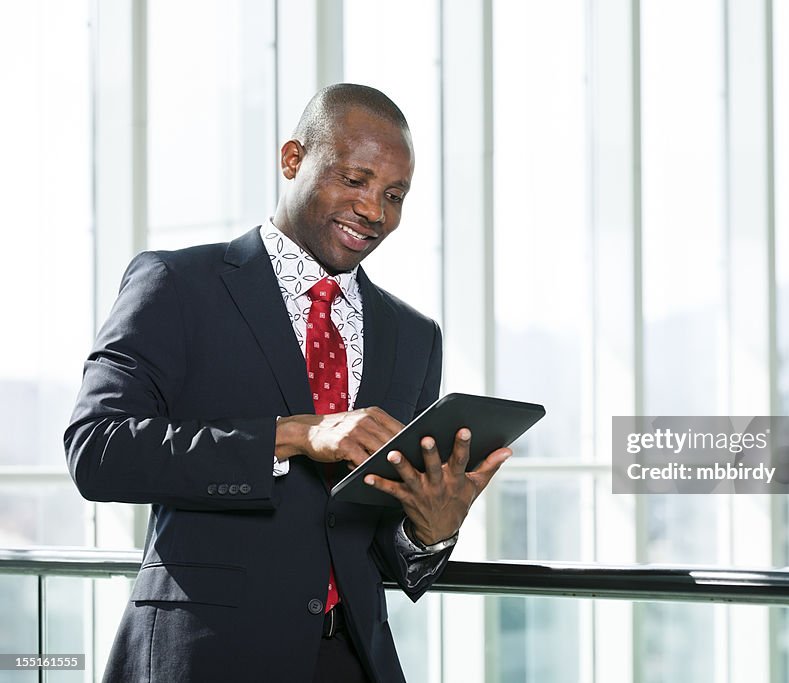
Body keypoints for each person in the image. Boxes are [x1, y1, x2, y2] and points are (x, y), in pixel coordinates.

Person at [64, 83, 511, 682]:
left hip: (352, 660)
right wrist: (294, 435)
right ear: (293, 160)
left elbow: (381, 548)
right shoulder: (178, 283)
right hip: (205, 655)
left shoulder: (413, 335)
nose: (374, 211)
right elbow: (98, 452)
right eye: (355, 181)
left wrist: (430, 528)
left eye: (394, 195)